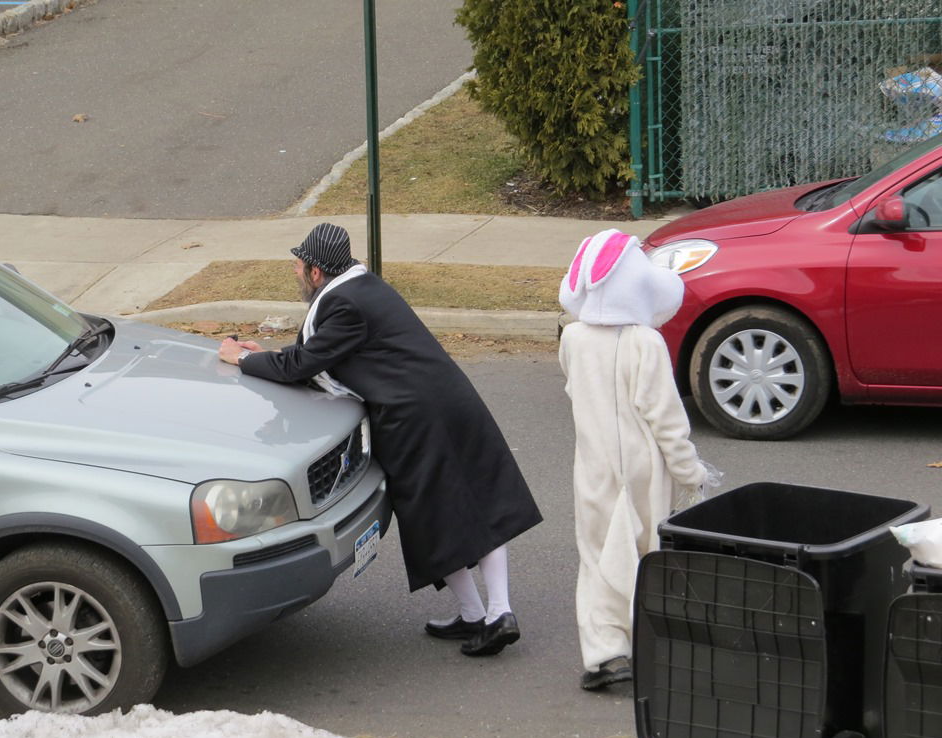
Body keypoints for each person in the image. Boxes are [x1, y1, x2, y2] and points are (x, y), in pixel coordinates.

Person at [218, 222, 543, 656]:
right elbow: (316, 357)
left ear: (316, 272)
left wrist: (241, 357)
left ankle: (498, 613)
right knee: (468, 505)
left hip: (416, 418)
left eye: (298, 266)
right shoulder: (363, 287)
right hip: (448, 401)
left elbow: (302, 365)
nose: (295, 273)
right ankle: (477, 615)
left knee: (436, 516)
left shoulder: (344, 305)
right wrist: (267, 355)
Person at [557, 228, 715, 690]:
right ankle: (652, 642)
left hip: (594, 467)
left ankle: (607, 653)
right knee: (648, 554)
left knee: (599, 557)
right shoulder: (646, 343)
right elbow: (667, 419)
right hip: (646, 473)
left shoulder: (574, 339)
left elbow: (574, 390)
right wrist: (691, 472)